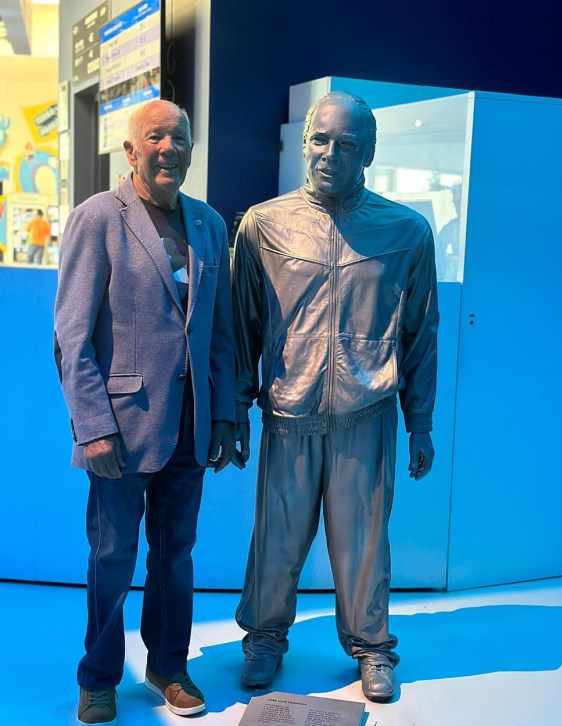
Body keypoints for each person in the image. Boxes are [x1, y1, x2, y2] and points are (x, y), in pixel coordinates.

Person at [231, 91, 439, 702]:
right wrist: (233, 410)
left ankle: (372, 646)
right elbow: (242, 327)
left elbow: (421, 331)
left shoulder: (405, 231)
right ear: (304, 143)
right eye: (320, 139)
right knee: (276, 537)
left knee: (364, 542)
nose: (329, 153)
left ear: (368, 153)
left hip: (366, 412)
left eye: (346, 144)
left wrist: (420, 421)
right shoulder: (264, 225)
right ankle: (264, 638)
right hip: (288, 408)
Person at [54, 99, 236, 726]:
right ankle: (99, 677)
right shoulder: (98, 218)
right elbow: (71, 338)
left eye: (179, 138)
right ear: (130, 152)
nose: (169, 148)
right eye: (155, 137)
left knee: (176, 556)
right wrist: (93, 428)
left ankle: (168, 667)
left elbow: (219, 333)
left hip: (190, 426)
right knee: (112, 559)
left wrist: (224, 416)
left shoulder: (209, 224)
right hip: (121, 429)